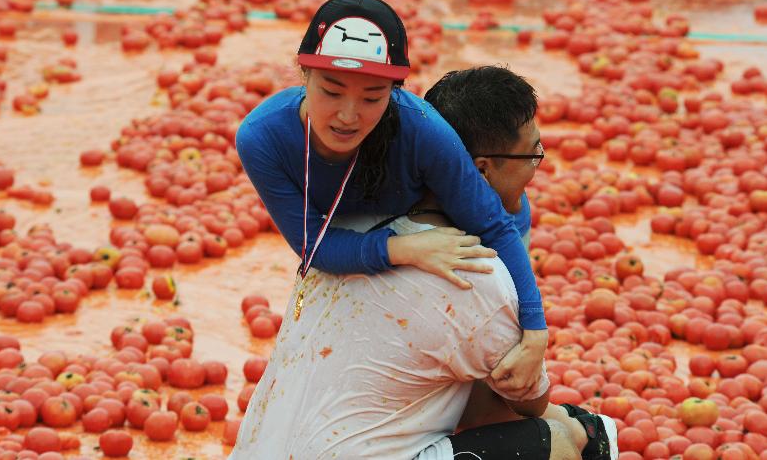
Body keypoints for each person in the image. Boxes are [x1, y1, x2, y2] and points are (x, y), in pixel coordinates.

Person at [228, 65, 618, 460]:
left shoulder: (347, 229)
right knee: (569, 441)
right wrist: (576, 422)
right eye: (533, 153)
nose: (538, 163)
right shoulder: (471, 274)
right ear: (480, 169)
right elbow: (528, 401)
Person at [235, 0, 547, 392]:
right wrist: (406, 249)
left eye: (372, 97)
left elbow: (495, 225)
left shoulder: (421, 127)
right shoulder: (263, 138)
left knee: (498, 384)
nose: (348, 115)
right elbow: (314, 247)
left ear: (394, 91)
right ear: (304, 74)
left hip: (450, 226)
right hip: (375, 244)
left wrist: (536, 331)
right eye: (331, 92)